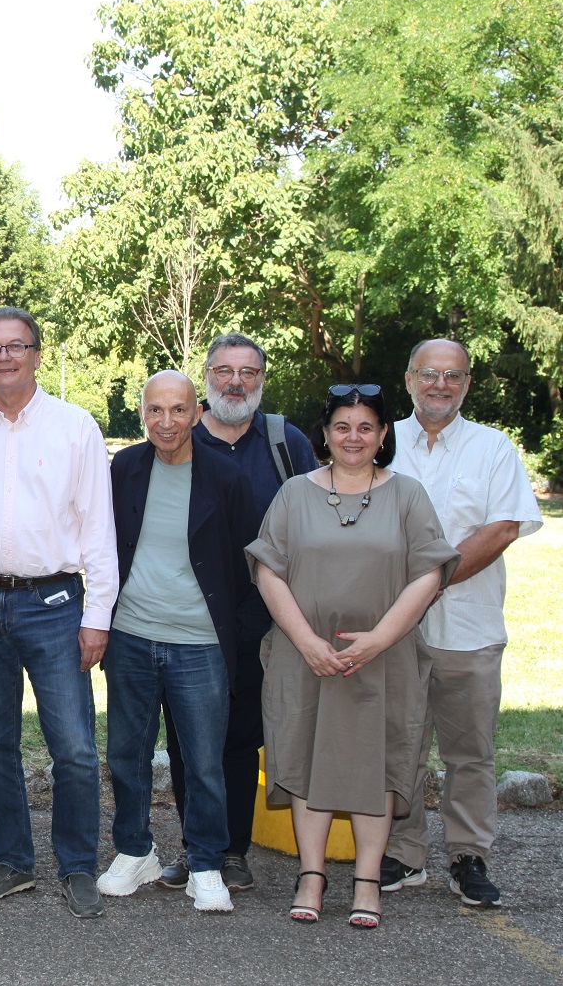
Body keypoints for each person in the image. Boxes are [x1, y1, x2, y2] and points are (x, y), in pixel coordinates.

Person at [248, 384, 458, 929]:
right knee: (305, 761)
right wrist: (309, 643)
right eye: (343, 426)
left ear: (384, 435)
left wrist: (379, 639)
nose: (353, 437)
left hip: (382, 660)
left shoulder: (408, 495)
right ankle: (311, 876)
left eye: (366, 427)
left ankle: (367, 881)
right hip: (305, 656)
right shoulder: (294, 493)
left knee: (378, 767)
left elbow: (429, 572)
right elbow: (268, 570)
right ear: (325, 434)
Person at [0, 306, 118, 919]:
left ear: (38, 354)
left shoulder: (75, 427)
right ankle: (13, 859)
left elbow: (99, 530)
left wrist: (97, 617)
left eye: (17, 346)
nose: (5, 357)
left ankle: (77, 865)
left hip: (56, 604)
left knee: (72, 746)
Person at [381, 339, 542, 906]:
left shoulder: (492, 448)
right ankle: (403, 853)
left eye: (453, 376)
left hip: (468, 629)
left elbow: (501, 529)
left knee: (469, 751)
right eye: (429, 374)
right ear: (408, 380)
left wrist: (430, 583)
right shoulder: (383, 441)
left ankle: (468, 855)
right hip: (392, 630)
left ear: (467, 383)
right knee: (398, 745)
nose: (440, 385)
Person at [160, 333, 317, 891]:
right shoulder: (178, 437)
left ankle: (231, 850)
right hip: (185, 615)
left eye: (248, 372)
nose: (235, 382)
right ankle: (195, 844)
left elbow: (316, 517)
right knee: (185, 736)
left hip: (260, 616)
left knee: (239, 735)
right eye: (224, 370)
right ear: (205, 377)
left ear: (262, 381)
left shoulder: (286, 442)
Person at [101, 372, 263, 914]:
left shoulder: (226, 477)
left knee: (203, 761)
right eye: (155, 410)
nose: (165, 422)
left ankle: (207, 862)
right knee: (126, 754)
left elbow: (247, 565)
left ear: (197, 414)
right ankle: (134, 850)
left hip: (200, 644)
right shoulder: (122, 469)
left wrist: (230, 633)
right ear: (142, 414)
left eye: (178, 410)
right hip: (131, 637)